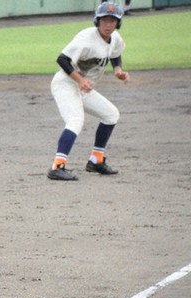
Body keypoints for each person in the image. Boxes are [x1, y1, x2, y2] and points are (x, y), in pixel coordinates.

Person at [47, 2, 130, 181]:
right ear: (97, 21)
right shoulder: (86, 38)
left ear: (118, 23)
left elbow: (115, 54)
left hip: (82, 87)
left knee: (111, 114)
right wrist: (80, 80)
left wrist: (118, 70)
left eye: (113, 21)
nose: (109, 24)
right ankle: (57, 167)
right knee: (75, 120)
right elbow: (62, 59)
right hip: (65, 84)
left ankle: (96, 161)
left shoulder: (114, 37)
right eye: (105, 20)